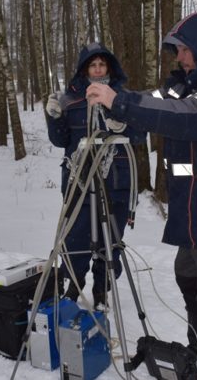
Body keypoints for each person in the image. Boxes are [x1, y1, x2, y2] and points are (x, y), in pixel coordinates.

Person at [85, 13, 197, 380]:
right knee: (187, 280)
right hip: (193, 212)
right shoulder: (187, 85)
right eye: (176, 52)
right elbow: (154, 102)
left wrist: (120, 103)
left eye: (183, 51)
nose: (178, 59)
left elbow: (189, 119)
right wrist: (122, 110)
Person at [45, 42, 146, 309]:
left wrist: (122, 123)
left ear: (110, 67)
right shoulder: (71, 99)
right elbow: (60, 140)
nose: (98, 69)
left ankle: (102, 289)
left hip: (116, 181)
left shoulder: (123, 97)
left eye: (102, 64)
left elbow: (139, 136)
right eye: (93, 64)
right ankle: (73, 286)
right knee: (75, 236)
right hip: (79, 180)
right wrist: (54, 117)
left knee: (110, 239)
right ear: (84, 69)